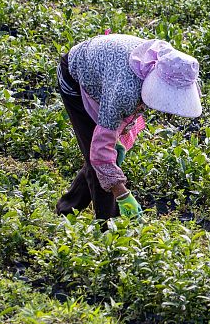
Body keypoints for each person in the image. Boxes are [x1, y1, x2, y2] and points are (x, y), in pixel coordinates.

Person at [56, 34, 202, 220]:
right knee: (100, 159)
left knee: (109, 156)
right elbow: (100, 154)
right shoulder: (125, 92)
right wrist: (123, 195)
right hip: (75, 76)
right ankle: (109, 230)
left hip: (110, 74)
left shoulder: (180, 70)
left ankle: (67, 209)